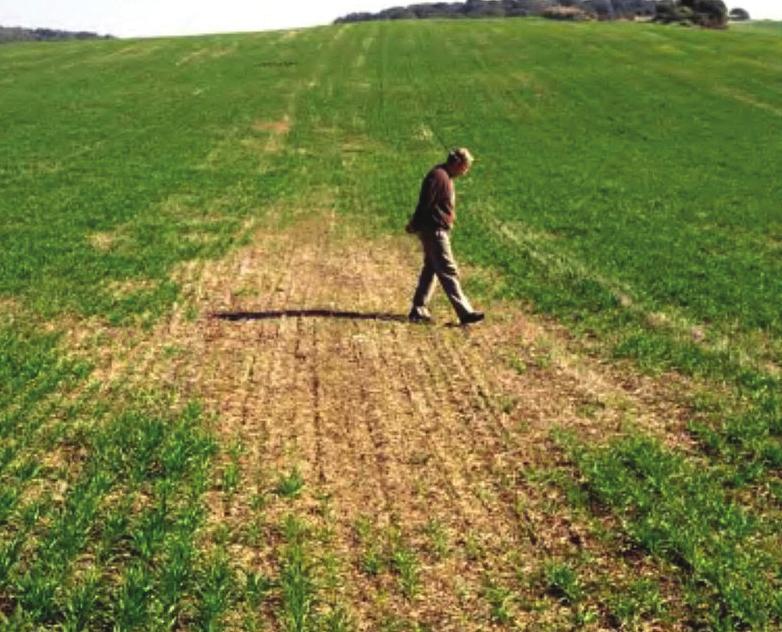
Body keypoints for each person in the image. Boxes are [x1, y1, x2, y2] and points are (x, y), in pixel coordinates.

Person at [405, 148, 484, 326]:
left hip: (434, 230)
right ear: (456, 163)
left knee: (431, 269)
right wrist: (415, 224)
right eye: (465, 167)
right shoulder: (438, 177)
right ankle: (465, 312)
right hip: (434, 231)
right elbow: (425, 204)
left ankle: (418, 309)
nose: (465, 171)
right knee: (448, 270)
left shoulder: (443, 176)